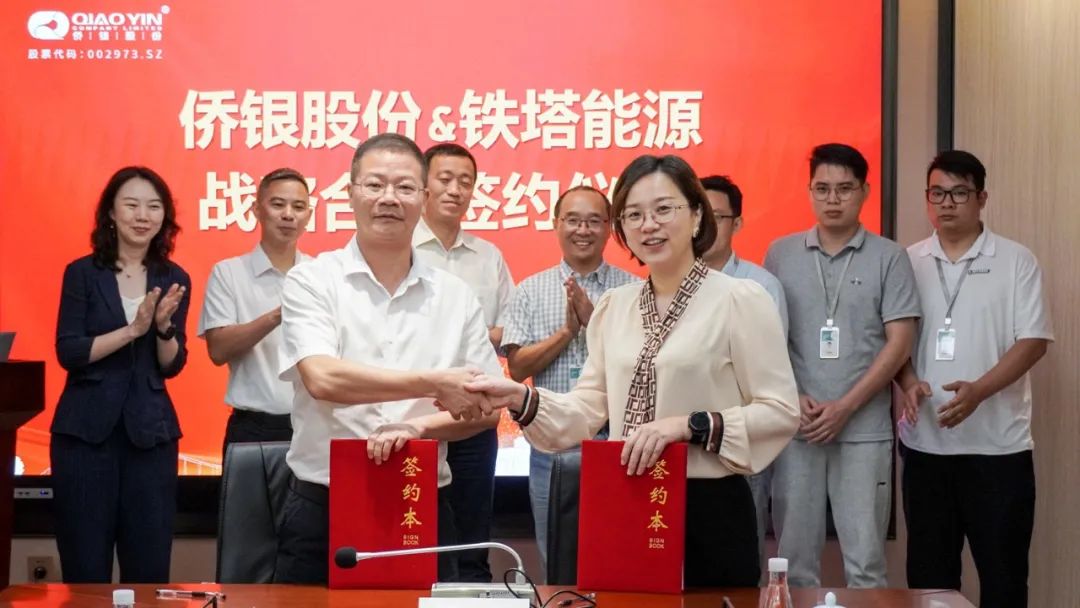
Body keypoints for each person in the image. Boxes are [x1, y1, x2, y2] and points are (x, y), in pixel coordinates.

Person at [468, 154, 800, 587]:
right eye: (634, 215)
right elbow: (588, 409)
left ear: (697, 216)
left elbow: (780, 411)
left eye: (663, 209)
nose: (649, 225)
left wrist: (688, 425)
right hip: (627, 498)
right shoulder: (615, 307)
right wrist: (520, 397)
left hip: (709, 506)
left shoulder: (740, 299)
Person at [272, 133, 506, 585]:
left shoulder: (455, 296)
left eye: (404, 187)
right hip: (323, 504)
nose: (388, 199)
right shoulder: (312, 280)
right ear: (350, 192)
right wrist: (433, 383)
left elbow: (487, 407)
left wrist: (418, 427)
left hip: (424, 498)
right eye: (375, 185)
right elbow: (322, 378)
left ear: (424, 198)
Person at [897, 150, 1052, 608]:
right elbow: (893, 340)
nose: (947, 203)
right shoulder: (907, 261)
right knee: (930, 580)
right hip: (925, 448)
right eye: (937, 193)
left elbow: (1034, 341)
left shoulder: (1016, 260)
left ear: (981, 198)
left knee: (1003, 578)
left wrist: (979, 391)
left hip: (998, 450)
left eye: (959, 193)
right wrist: (908, 380)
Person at [764, 143, 920, 588]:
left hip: (863, 431)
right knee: (793, 564)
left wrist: (846, 407)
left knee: (866, 564)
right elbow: (767, 338)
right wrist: (793, 396)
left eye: (845, 189)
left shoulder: (889, 256)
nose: (833, 199)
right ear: (810, 191)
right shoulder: (780, 254)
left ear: (865, 192)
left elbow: (900, 342)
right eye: (822, 188)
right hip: (798, 429)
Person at [52, 166, 191, 582]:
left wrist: (162, 329)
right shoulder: (82, 273)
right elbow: (70, 351)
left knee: (149, 567)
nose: (142, 216)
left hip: (151, 435)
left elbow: (172, 364)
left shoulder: (174, 277)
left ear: (165, 217)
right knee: (85, 565)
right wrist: (132, 331)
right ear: (111, 212)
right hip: (84, 435)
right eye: (131, 205)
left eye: (153, 207)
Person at [500, 185, 639, 579]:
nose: (583, 230)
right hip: (552, 448)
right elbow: (517, 369)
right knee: (557, 557)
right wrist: (566, 333)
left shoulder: (632, 290)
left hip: (618, 445)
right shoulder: (530, 289)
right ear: (556, 224)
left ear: (609, 227)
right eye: (573, 220)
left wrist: (595, 323)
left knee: (618, 554)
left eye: (594, 221)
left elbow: (644, 365)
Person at [412, 143, 514, 582]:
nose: (456, 190)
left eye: (466, 182)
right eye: (445, 179)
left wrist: (467, 333)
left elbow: (509, 330)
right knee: (414, 539)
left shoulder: (488, 256)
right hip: (414, 413)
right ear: (423, 185)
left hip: (474, 414)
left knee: (472, 539)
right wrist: (473, 334)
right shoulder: (401, 249)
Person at [700, 174, 788, 574]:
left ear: (737, 223)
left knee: (740, 558)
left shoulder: (761, 286)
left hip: (741, 440)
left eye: (717, 217)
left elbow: (770, 371)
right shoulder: (669, 282)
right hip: (683, 444)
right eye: (699, 215)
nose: (706, 226)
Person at [198, 168, 314, 459]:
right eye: (278, 204)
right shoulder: (229, 273)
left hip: (312, 425)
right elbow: (218, 350)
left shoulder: (320, 274)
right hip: (252, 428)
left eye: (298, 207)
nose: (288, 215)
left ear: (309, 216)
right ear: (256, 210)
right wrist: (277, 315)